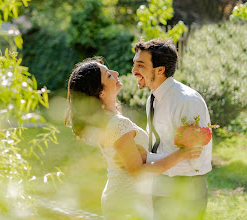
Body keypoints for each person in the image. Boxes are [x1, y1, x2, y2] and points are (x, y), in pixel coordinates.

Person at [64, 57, 202, 220]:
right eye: (108, 75)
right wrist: (181, 154)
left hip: (124, 198)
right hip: (128, 202)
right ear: (100, 92)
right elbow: (138, 172)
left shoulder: (107, 120)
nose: (115, 73)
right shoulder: (117, 123)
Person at [132, 38, 212, 220]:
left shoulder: (186, 101)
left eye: (140, 65)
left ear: (160, 70)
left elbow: (195, 160)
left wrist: (147, 158)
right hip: (160, 186)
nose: (134, 71)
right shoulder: (152, 98)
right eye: (135, 64)